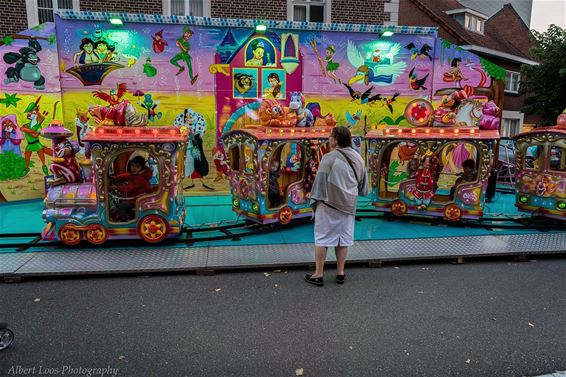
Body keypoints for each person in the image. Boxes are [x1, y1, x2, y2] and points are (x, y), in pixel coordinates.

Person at [305, 126, 369, 286]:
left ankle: (318, 274)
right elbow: (364, 187)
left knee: (322, 239)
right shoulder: (358, 158)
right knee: (343, 240)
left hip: (329, 204)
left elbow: (319, 184)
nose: (329, 139)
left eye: (330, 137)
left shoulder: (329, 157)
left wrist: (313, 200)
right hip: (349, 206)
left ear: (336, 139)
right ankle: (340, 272)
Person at [112, 156, 152, 222]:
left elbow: (130, 188)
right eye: (132, 166)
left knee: (121, 206)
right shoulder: (137, 174)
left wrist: (116, 187)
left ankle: (124, 223)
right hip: (135, 198)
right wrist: (116, 177)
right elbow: (127, 175)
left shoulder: (141, 179)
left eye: (137, 166)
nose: (134, 168)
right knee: (126, 206)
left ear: (142, 168)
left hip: (139, 199)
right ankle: (133, 219)